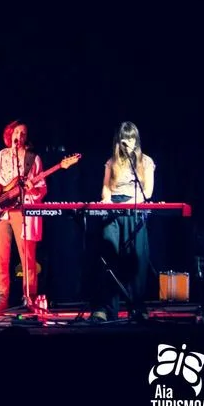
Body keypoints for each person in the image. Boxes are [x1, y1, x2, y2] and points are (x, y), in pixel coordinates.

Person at [90, 121, 155, 322]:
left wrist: (130, 203)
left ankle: (137, 307)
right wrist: (107, 200)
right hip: (113, 210)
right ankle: (107, 308)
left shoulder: (146, 162)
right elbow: (106, 187)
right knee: (109, 257)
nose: (128, 143)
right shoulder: (112, 162)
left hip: (135, 208)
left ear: (136, 140)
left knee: (138, 259)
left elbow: (148, 192)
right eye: (124, 140)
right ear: (119, 141)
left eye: (131, 139)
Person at [0, 120, 46, 314]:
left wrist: (33, 188)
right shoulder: (1, 155)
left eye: (23, 133)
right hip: (1, 213)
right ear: (10, 134)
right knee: (0, 256)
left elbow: (42, 188)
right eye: (16, 132)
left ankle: (30, 297)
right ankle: (2, 298)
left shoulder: (33, 159)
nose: (19, 136)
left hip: (23, 211)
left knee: (27, 257)